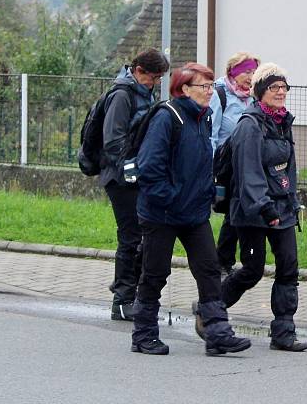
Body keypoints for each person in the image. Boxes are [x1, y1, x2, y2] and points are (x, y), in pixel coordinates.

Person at [131, 62, 251, 356]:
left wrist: (206, 193)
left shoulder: (204, 117)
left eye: (211, 86)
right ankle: (143, 334)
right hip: (162, 212)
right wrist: (170, 197)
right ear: (184, 89)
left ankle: (218, 334)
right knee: (155, 273)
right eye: (204, 86)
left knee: (209, 271)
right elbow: (150, 166)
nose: (210, 92)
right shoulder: (166, 117)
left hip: (194, 211)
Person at [220, 63, 307, 352]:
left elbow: (287, 170)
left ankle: (283, 333)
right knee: (252, 270)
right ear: (260, 92)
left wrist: (292, 201)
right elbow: (248, 172)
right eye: (274, 88)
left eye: (284, 88)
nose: (280, 93)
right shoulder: (249, 125)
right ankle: (211, 308)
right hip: (253, 211)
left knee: (288, 268)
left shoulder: (282, 122)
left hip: (281, 208)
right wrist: (263, 207)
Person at [100, 48, 169, 321]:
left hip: (134, 176)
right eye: (152, 77)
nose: (154, 83)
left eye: (158, 79)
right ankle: (122, 300)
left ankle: (125, 286)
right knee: (130, 237)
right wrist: (132, 166)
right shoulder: (121, 95)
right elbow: (112, 141)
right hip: (120, 179)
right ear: (138, 71)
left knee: (141, 237)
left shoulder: (141, 92)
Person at [211, 52, 260, 277]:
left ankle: (229, 260)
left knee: (238, 211)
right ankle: (222, 262)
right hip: (226, 164)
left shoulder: (253, 96)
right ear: (233, 72)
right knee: (233, 212)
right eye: (247, 72)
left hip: (247, 163)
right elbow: (212, 133)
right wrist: (210, 166)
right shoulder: (220, 93)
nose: (250, 77)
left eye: (253, 72)